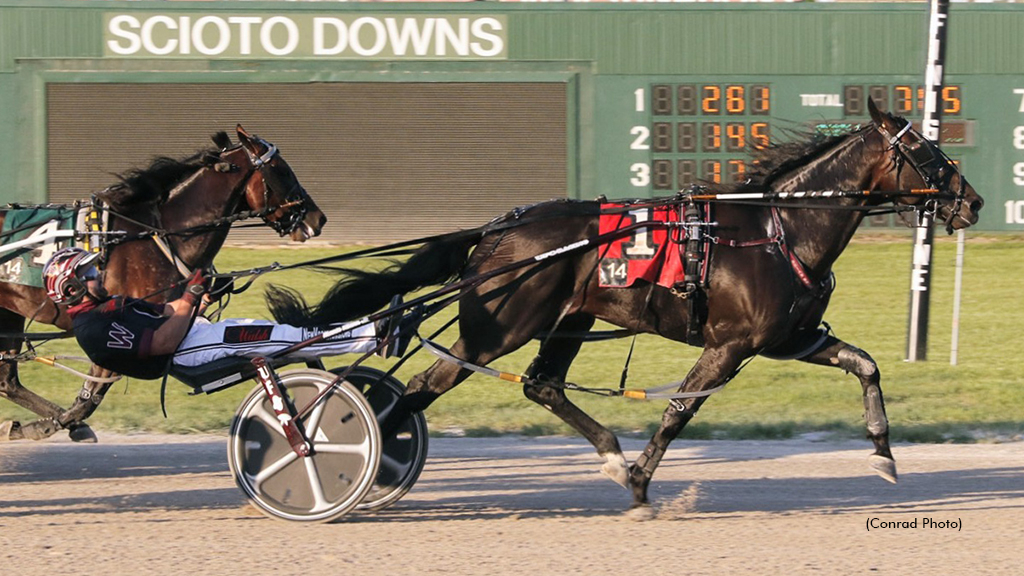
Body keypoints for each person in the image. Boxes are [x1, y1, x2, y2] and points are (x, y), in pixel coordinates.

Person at [42, 247, 417, 380]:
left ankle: (370, 332)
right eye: (88, 273)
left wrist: (198, 295)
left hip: (197, 336)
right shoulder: (92, 329)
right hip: (186, 352)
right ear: (71, 288)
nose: (97, 275)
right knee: (287, 339)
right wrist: (189, 299)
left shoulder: (108, 305)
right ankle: (375, 335)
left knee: (282, 333)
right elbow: (162, 341)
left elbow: (169, 311)